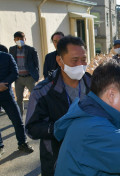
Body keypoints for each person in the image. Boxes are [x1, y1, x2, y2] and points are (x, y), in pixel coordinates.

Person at [25, 35, 91, 176]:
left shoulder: (94, 84)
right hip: (57, 160)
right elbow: (31, 128)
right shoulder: (42, 91)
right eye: (74, 61)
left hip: (91, 156)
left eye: (84, 59)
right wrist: (57, 128)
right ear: (60, 61)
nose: (80, 65)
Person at [0, 51, 34, 157]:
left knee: (17, 120)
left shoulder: (7, 57)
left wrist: (4, 84)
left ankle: (22, 143)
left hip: (7, 95)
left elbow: (14, 73)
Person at [9, 31, 39, 116]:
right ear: (14, 40)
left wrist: (35, 77)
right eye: (17, 39)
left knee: (35, 97)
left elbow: (36, 64)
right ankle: (20, 117)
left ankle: (36, 115)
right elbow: (11, 63)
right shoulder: (12, 49)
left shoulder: (31, 50)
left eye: (21, 39)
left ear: (25, 39)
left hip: (29, 77)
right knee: (19, 99)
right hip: (18, 78)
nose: (20, 40)